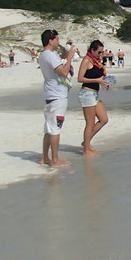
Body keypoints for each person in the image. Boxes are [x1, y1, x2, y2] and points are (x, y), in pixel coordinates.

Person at [38, 29, 77, 168]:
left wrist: (66, 54)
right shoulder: (50, 56)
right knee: (55, 128)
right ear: (50, 40)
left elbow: (57, 62)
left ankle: (45, 157)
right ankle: (55, 159)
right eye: (57, 39)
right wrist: (70, 57)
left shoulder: (43, 55)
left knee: (49, 127)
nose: (58, 42)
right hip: (57, 96)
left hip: (50, 94)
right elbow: (63, 72)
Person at [76, 39, 111, 156]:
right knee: (90, 122)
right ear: (92, 50)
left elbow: (98, 76)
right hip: (87, 93)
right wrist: (97, 80)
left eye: (102, 52)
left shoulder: (96, 61)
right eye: (99, 52)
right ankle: (86, 150)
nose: (101, 54)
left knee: (104, 119)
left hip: (95, 94)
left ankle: (86, 142)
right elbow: (80, 78)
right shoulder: (86, 60)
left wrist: (104, 82)